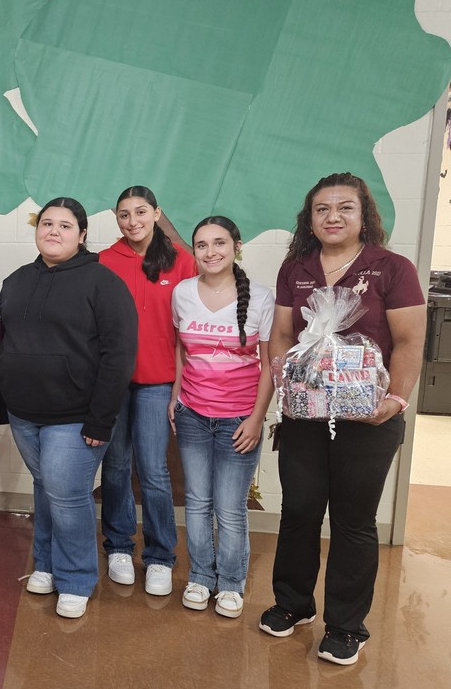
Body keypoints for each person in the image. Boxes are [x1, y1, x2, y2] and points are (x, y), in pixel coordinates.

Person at [259, 173, 426, 665]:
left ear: (363, 215)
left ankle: (347, 626)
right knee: (300, 510)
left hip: (369, 416)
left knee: (353, 520)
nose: (333, 217)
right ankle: (293, 603)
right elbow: (283, 334)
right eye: (322, 209)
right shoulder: (297, 268)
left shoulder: (391, 268)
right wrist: (285, 381)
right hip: (306, 415)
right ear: (309, 219)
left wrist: (394, 400)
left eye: (344, 208)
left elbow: (411, 341)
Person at [0, 197, 137, 619]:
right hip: (24, 414)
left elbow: (119, 355)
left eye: (65, 226)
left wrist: (101, 418)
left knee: (67, 494)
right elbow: (4, 342)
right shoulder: (16, 280)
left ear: (82, 234)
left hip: (75, 416)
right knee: (46, 489)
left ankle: (76, 577)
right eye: (47, 224)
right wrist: (3, 401)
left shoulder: (104, 283)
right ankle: (46, 564)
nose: (53, 231)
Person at [169, 216, 275, 618]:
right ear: (193, 251)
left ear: (237, 247)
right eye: (201, 245)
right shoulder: (182, 293)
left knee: (230, 507)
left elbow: (269, 365)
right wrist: (177, 395)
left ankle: (230, 584)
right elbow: (182, 352)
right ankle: (200, 577)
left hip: (238, 419)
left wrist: (257, 417)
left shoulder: (261, 298)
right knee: (196, 502)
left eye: (219, 243)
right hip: (193, 414)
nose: (210, 252)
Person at [98, 185, 197, 596]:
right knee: (116, 465)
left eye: (141, 212)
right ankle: (119, 545)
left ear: (157, 213)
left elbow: (188, 330)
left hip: (159, 383)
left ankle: (159, 555)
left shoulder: (183, 261)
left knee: (153, 470)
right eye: (124, 214)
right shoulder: (104, 260)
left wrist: (181, 385)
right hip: (114, 381)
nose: (132, 221)